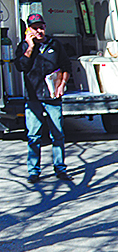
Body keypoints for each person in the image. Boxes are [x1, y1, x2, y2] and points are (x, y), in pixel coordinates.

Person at [14, 13, 72, 183]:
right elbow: (20, 67)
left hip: (53, 97)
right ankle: (34, 171)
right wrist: (30, 47)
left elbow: (66, 65)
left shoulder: (55, 44)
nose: (39, 30)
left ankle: (60, 168)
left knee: (58, 134)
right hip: (34, 98)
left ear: (45, 27)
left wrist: (62, 85)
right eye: (35, 28)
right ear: (29, 30)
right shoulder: (23, 46)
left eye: (41, 27)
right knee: (33, 135)